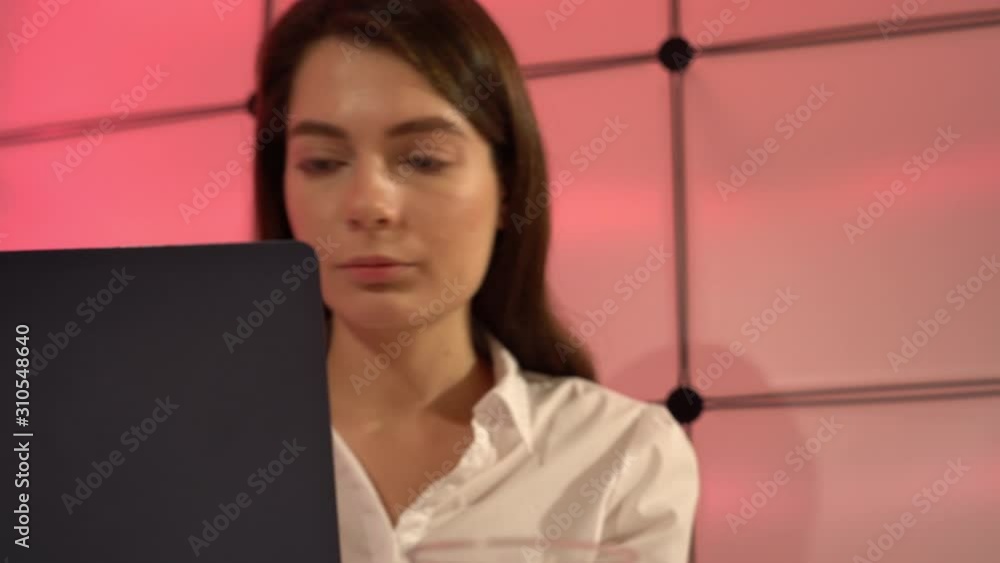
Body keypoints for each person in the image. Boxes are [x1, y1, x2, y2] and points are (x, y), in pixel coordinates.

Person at [251, 0, 699, 560]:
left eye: (422, 159)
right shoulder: (207, 451)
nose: (369, 204)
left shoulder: (618, 453)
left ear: (506, 185)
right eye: (322, 162)